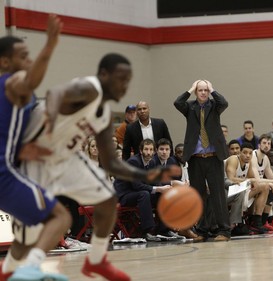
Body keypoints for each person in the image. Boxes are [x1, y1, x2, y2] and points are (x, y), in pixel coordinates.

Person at [18, 54, 180, 281]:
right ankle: (27, 266)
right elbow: (53, 95)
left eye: (128, 81)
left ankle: (95, 261)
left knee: (106, 198)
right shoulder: (86, 88)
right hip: (35, 156)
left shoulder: (102, 113)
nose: (124, 86)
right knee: (45, 218)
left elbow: (113, 163)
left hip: (65, 159)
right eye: (120, 79)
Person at [0, 15, 72, 281]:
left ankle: (13, 271)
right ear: (5, 62)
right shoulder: (12, 82)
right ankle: (29, 269)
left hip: (9, 167)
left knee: (28, 231)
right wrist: (51, 44)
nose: (29, 61)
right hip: (3, 175)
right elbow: (31, 81)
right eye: (23, 56)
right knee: (60, 217)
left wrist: (20, 149)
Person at [174, 79, 231, 242]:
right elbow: (177, 102)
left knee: (218, 195)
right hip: (195, 158)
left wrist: (213, 89)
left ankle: (224, 231)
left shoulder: (215, 106)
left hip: (214, 158)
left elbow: (224, 102)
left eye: (206, 90)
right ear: (196, 92)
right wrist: (190, 89)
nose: (204, 93)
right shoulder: (189, 107)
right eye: (200, 90)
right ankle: (202, 230)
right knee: (198, 196)